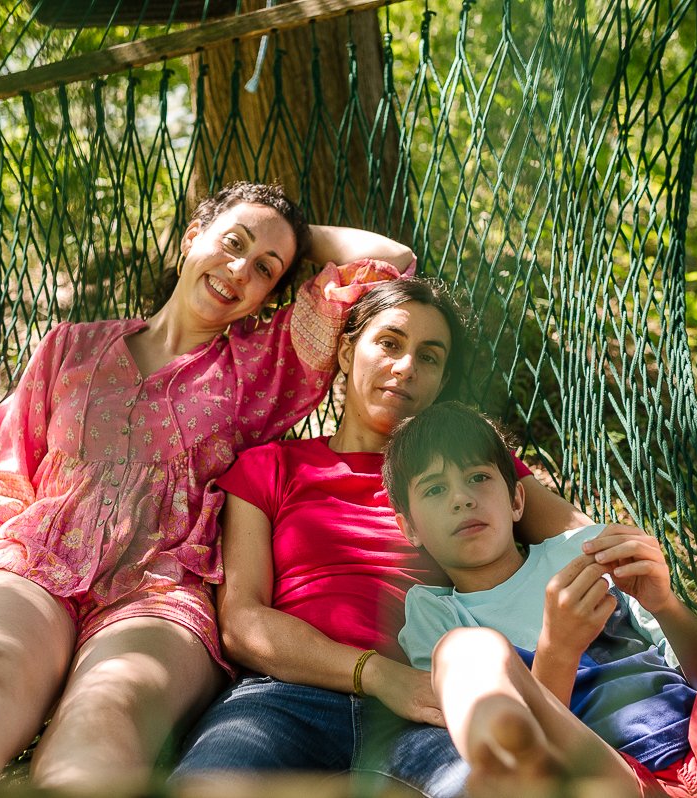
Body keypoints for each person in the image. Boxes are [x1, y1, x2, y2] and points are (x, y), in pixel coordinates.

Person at [0, 182, 416, 788]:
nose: (238, 269)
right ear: (189, 240)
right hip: (33, 562)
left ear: (266, 298)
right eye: (231, 242)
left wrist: (294, 239)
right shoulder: (69, 347)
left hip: (164, 587)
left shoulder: (261, 367)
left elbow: (392, 261)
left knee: (105, 721)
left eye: (263, 269)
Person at [172, 279, 594, 797]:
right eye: (389, 343)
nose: (407, 367)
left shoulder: (474, 471)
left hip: (432, 697)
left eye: (430, 357)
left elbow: (587, 540)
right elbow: (242, 619)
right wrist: (376, 675)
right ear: (349, 351)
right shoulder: (272, 466)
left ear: (441, 381)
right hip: (285, 695)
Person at [384, 401, 697, 797]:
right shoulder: (436, 612)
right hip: (612, 780)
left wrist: (665, 605)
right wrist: (558, 651)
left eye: (479, 477)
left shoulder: (582, 550)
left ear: (517, 502)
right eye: (436, 489)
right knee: (467, 651)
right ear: (410, 529)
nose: (462, 499)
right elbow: (508, 737)